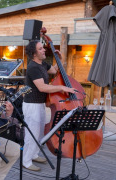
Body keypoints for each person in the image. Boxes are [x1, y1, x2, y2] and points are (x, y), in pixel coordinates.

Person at [22, 40, 76, 171]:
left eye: (43, 48)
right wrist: (61, 87)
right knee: (32, 133)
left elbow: (55, 70)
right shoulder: (33, 67)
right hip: (32, 105)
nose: (44, 50)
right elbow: (42, 87)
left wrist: (60, 59)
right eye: (40, 49)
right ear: (34, 53)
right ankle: (26, 161)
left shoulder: (42, 64)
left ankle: (33, 154)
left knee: (39, 132)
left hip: (40, 104)